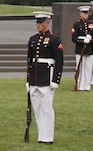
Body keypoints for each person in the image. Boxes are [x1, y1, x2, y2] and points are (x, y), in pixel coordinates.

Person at [26, 11, 64, 145]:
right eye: (37, 22)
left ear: (48, 22)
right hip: (35, 78)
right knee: (37, 108)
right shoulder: (33, 39)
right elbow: (30, 61)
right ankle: (41, 135)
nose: (39, 25)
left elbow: (59, 61)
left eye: (41, 22)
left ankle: (48, 136)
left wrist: (56, 80)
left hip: (46, 77)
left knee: (47, 108)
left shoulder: (54, 40)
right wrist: (28, 79)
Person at [71, 6, 93, 91]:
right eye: (84, 13)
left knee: (88, 68)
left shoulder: (92, 24)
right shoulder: (76, 24)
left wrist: (90, 39)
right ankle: (80, 85)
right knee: (80, 67)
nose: (86, 15)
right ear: (80, 14)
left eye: (87, 13)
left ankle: (87, 85)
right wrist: (82, 40)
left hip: (89, 49)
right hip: (80, 49)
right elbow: (74, 38)